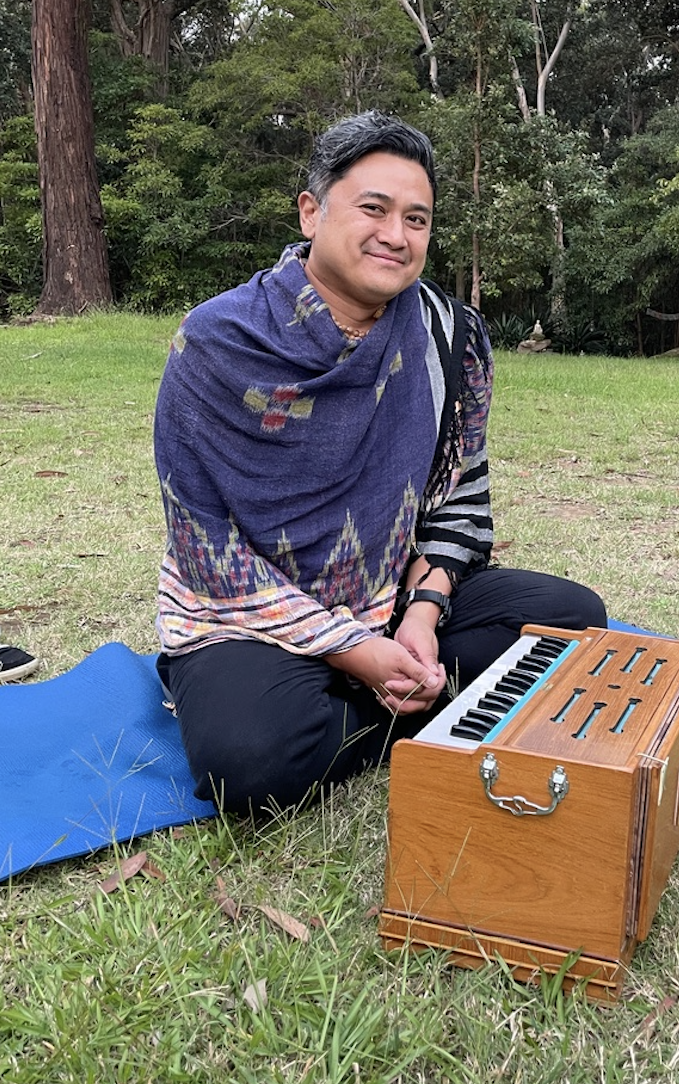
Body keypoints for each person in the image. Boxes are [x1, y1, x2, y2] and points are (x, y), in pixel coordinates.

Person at [153, 111, 606, 813]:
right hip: (246, 612)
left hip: (386, 594)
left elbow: (461, 493)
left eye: (417, 219)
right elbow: (207, 548)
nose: (396, 236)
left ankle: (384, 690)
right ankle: (400, 699)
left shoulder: (448, 334)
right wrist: (357, 653)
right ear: (311, 211)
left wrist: (421, 617)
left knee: (572, 617)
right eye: (374, 209)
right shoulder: (218, 342)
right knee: (247, 764)